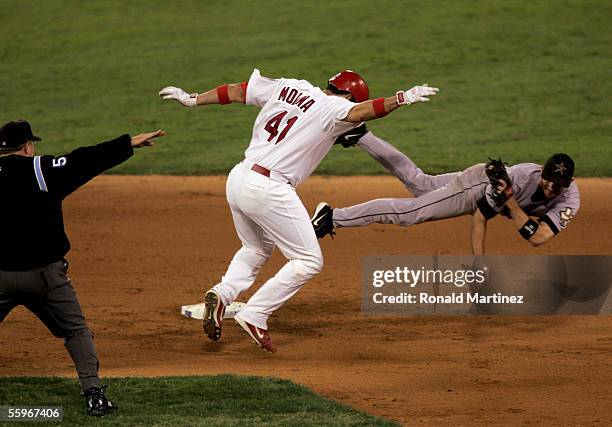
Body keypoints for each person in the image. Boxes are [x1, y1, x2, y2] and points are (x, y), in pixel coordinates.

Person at [159, 70, 439, 352]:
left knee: (256, 248)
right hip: (270, 188)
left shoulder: (290, 86)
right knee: (308, 261)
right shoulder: (337, 107)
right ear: (349, 96)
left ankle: (222, 294)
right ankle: (255, 313)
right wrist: (403, 98)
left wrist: (193, 99)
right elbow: (364, 111)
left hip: (239, 177)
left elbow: (235, 91)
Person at [0, 120, 165, 416]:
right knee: (76, 331)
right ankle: (94, 395)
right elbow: (85, 159)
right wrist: (128, 143)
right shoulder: (42, 170)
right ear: (28, 146)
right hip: (46, 279)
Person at [311, 126, 579, 254]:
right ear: (542, 172)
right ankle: (333, 217)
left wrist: (511, 205)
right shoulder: (517, 179)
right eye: (548, 179)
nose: (552, 186)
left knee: (420, 183)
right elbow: (480, 217)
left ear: (569, 182)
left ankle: (360, 135)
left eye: (559, 184)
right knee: (411, 213)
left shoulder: (570, 199)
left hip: (487, 183)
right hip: (477, 187)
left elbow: (538, 237)